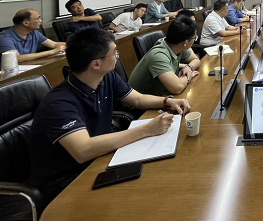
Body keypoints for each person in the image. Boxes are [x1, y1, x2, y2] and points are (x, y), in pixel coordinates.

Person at [28, 28, 191, 202]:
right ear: (96, 64)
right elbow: (82, 150)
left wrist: (167, 101)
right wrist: (146, 129)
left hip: (102, 156)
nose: (117, 57)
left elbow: (138, 99)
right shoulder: (58, 103)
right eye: (114, 53)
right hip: (69, 180)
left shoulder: (106, 77)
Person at [128, 17, 201, 96]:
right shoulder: (158, 55)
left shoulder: (177, 44)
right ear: (185, 42)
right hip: (141, 101)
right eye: (194, 38)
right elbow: (177, 88)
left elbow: (196, 60)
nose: (194, 40)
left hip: (162, 94)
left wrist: (189, 67)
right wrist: (189, 76)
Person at [0, 9, 66, 69]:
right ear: (25, 23)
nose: (40, 21)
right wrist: (51, 52)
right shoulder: (4, 38)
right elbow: (17, 58)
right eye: (38, 19)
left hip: (27, 68)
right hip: (3, 76)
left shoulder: (33, 33)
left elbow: (54, 44)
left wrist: (72, 43)